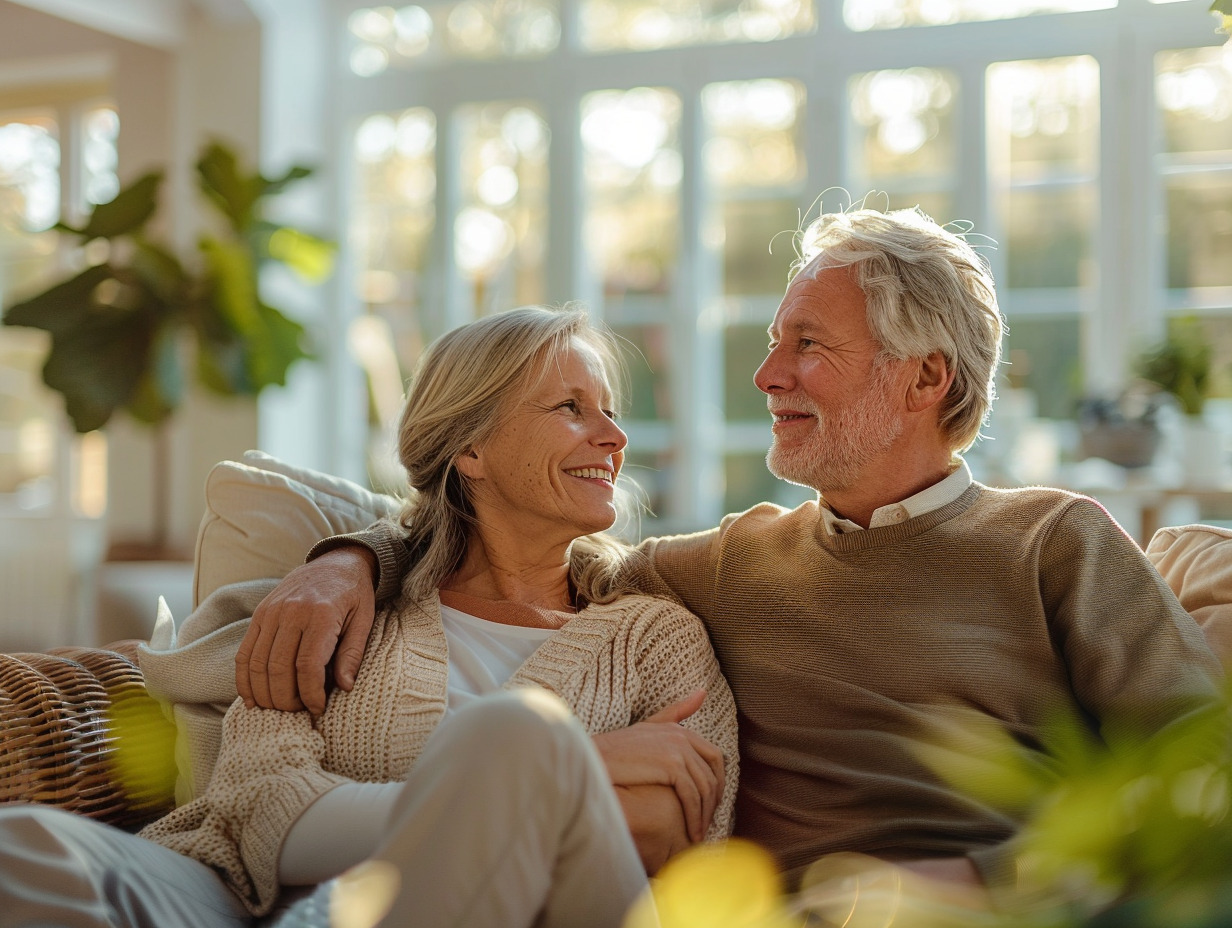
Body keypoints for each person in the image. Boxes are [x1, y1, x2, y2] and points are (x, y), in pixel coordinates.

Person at [238, 203, 1221, 897]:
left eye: (806, 346)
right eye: (771, 340)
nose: (764, 373)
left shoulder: (1057, 542)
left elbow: (1199, 779)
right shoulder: (726, 563)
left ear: (921, 378)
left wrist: (986, 879)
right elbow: (514, 541)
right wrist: (354, 555)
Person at [0, 305, 738, 928]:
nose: (614, 438)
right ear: (470, 447)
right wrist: (549, 782)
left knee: (518, 734)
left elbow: (690, 862)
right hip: (262, 904)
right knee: (24, 844)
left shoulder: (656, 638)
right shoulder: (347, 607)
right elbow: (257, 805)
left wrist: (524, 775)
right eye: (571, 408)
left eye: (609, 410)